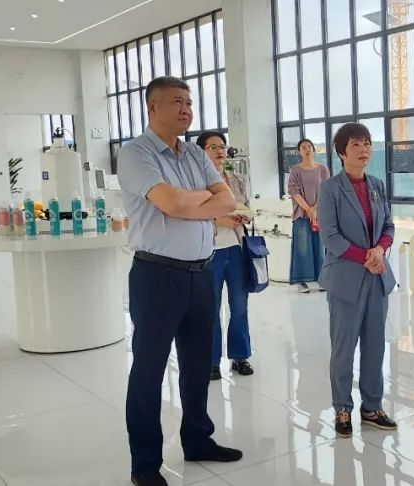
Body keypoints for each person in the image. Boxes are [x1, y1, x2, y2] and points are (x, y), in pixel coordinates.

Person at [118, 76, 243, 486]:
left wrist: (189, 203)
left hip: (201, 273)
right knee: (149, 371)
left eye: (189, 101)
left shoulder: (193, 153)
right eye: (177, 101)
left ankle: (198, 439)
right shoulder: (136, 154)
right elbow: (170, 203)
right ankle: (145, 464)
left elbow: (228, 200)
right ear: (152, 107)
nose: (186, 109)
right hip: (157, 276)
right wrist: (199, 201)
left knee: (197, 365)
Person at [317, 123, 398, 438]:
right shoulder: (330, 189)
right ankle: (342, 408)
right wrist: (367, 256)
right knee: (344, 346)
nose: (364, 150)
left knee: (375, 345)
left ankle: (372, 408)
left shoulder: (376, 184)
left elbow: (388, 225)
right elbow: (330, 236)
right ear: (341, 152)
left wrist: (379, 250)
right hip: (346, 278)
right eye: (356, 145)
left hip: (377, 277)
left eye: (367, 143)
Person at [195, 130, 255, 381]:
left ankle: (240, 355)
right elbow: (192, 216)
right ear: (201, 152)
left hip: (237, 249)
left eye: (222, 146)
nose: (220, 151)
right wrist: (220, 221)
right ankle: (210, 361)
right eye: (213, 147)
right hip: (210, 253)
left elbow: (247, 207)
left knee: (239, 306)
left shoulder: (237, 180)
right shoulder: (196, 183)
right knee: (211, 309)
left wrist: (244, 217)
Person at [287, 138, 330, 293]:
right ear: (299, 151)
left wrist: (316, 209)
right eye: (303, 147)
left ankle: (322, 279)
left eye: (309, 146)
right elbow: (294, 192)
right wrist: (309, 209)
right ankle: (301, 281)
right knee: (302, 247)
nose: (307, 149)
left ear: (314, 149)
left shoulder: (323, 169)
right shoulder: (295, 170)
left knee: (321, 246)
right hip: (301, 215)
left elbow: (327, 190)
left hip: (321, 214)